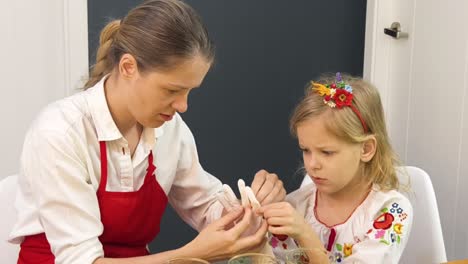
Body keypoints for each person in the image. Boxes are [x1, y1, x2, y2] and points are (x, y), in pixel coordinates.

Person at [8, 1, 286, 263]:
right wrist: (189, 255)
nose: (183, 105)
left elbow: (205, 204)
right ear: (128, 67)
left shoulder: (170, 129)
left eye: (189, 91)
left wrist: (249, 210)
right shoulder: (61, 132)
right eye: (172, 90)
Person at [258, 73, 413, 263]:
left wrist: (305, 235)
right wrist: (255, 232)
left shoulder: (390, 211)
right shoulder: (297, 205)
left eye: (327, 152)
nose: (312, 164)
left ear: (366, 149)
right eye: (306, 150)